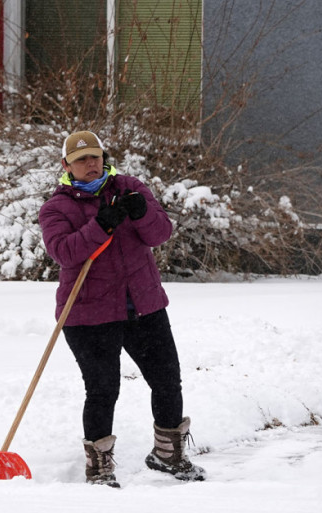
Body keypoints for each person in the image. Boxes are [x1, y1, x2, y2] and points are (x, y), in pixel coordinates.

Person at [38, 130, 206, 488]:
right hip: (88, 314)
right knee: (102, 389)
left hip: (142, 305)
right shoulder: (56, 208)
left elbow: (160, 233)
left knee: (166, 379)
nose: (90, 163)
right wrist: (101, 225)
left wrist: (142, 213)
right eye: (81, 158)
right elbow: (64, 252)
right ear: (66, 164)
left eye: (95, 156)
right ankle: (99, 467)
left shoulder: (129, 187)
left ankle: (167, 455)